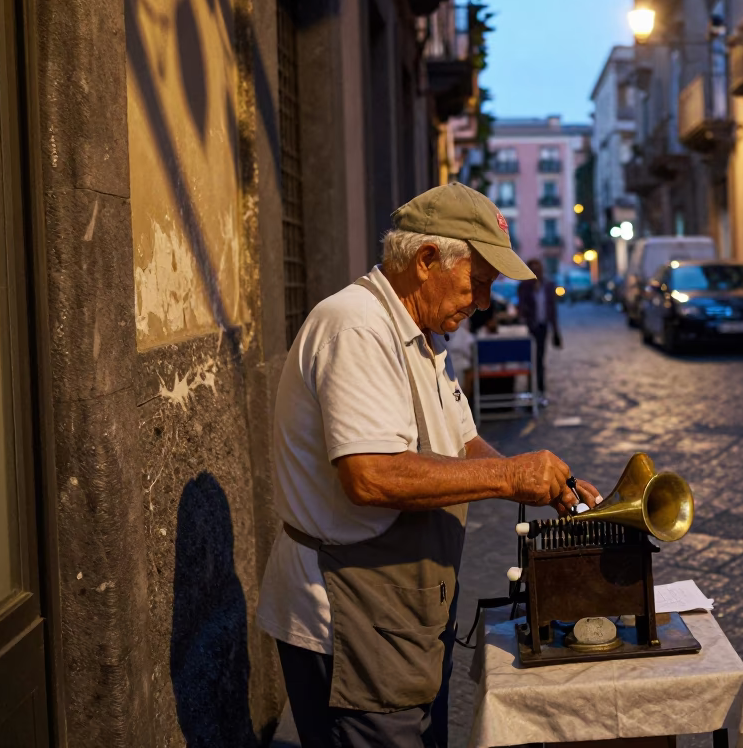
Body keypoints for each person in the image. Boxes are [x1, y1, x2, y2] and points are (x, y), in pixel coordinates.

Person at [256, 183, 600, 748]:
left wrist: (540, 482)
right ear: (426, 261)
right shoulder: (358, 328)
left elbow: (462, 441)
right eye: (479, 282)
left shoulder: (420, 334)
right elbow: (370, 474)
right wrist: (510, 476)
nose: (484, 301)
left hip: (403, 616)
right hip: (351, 623)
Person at [517, 259, 561, 404]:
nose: (536, 272)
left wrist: (555, 331)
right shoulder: (524, 287)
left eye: (538, 269)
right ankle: (530, 391)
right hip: (530, 328)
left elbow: (552, 310)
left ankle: (541, 391)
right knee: (530, 360)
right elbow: (522, 307)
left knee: (540, 360)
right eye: (533, 269)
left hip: (542, 327)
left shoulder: (548, 286)